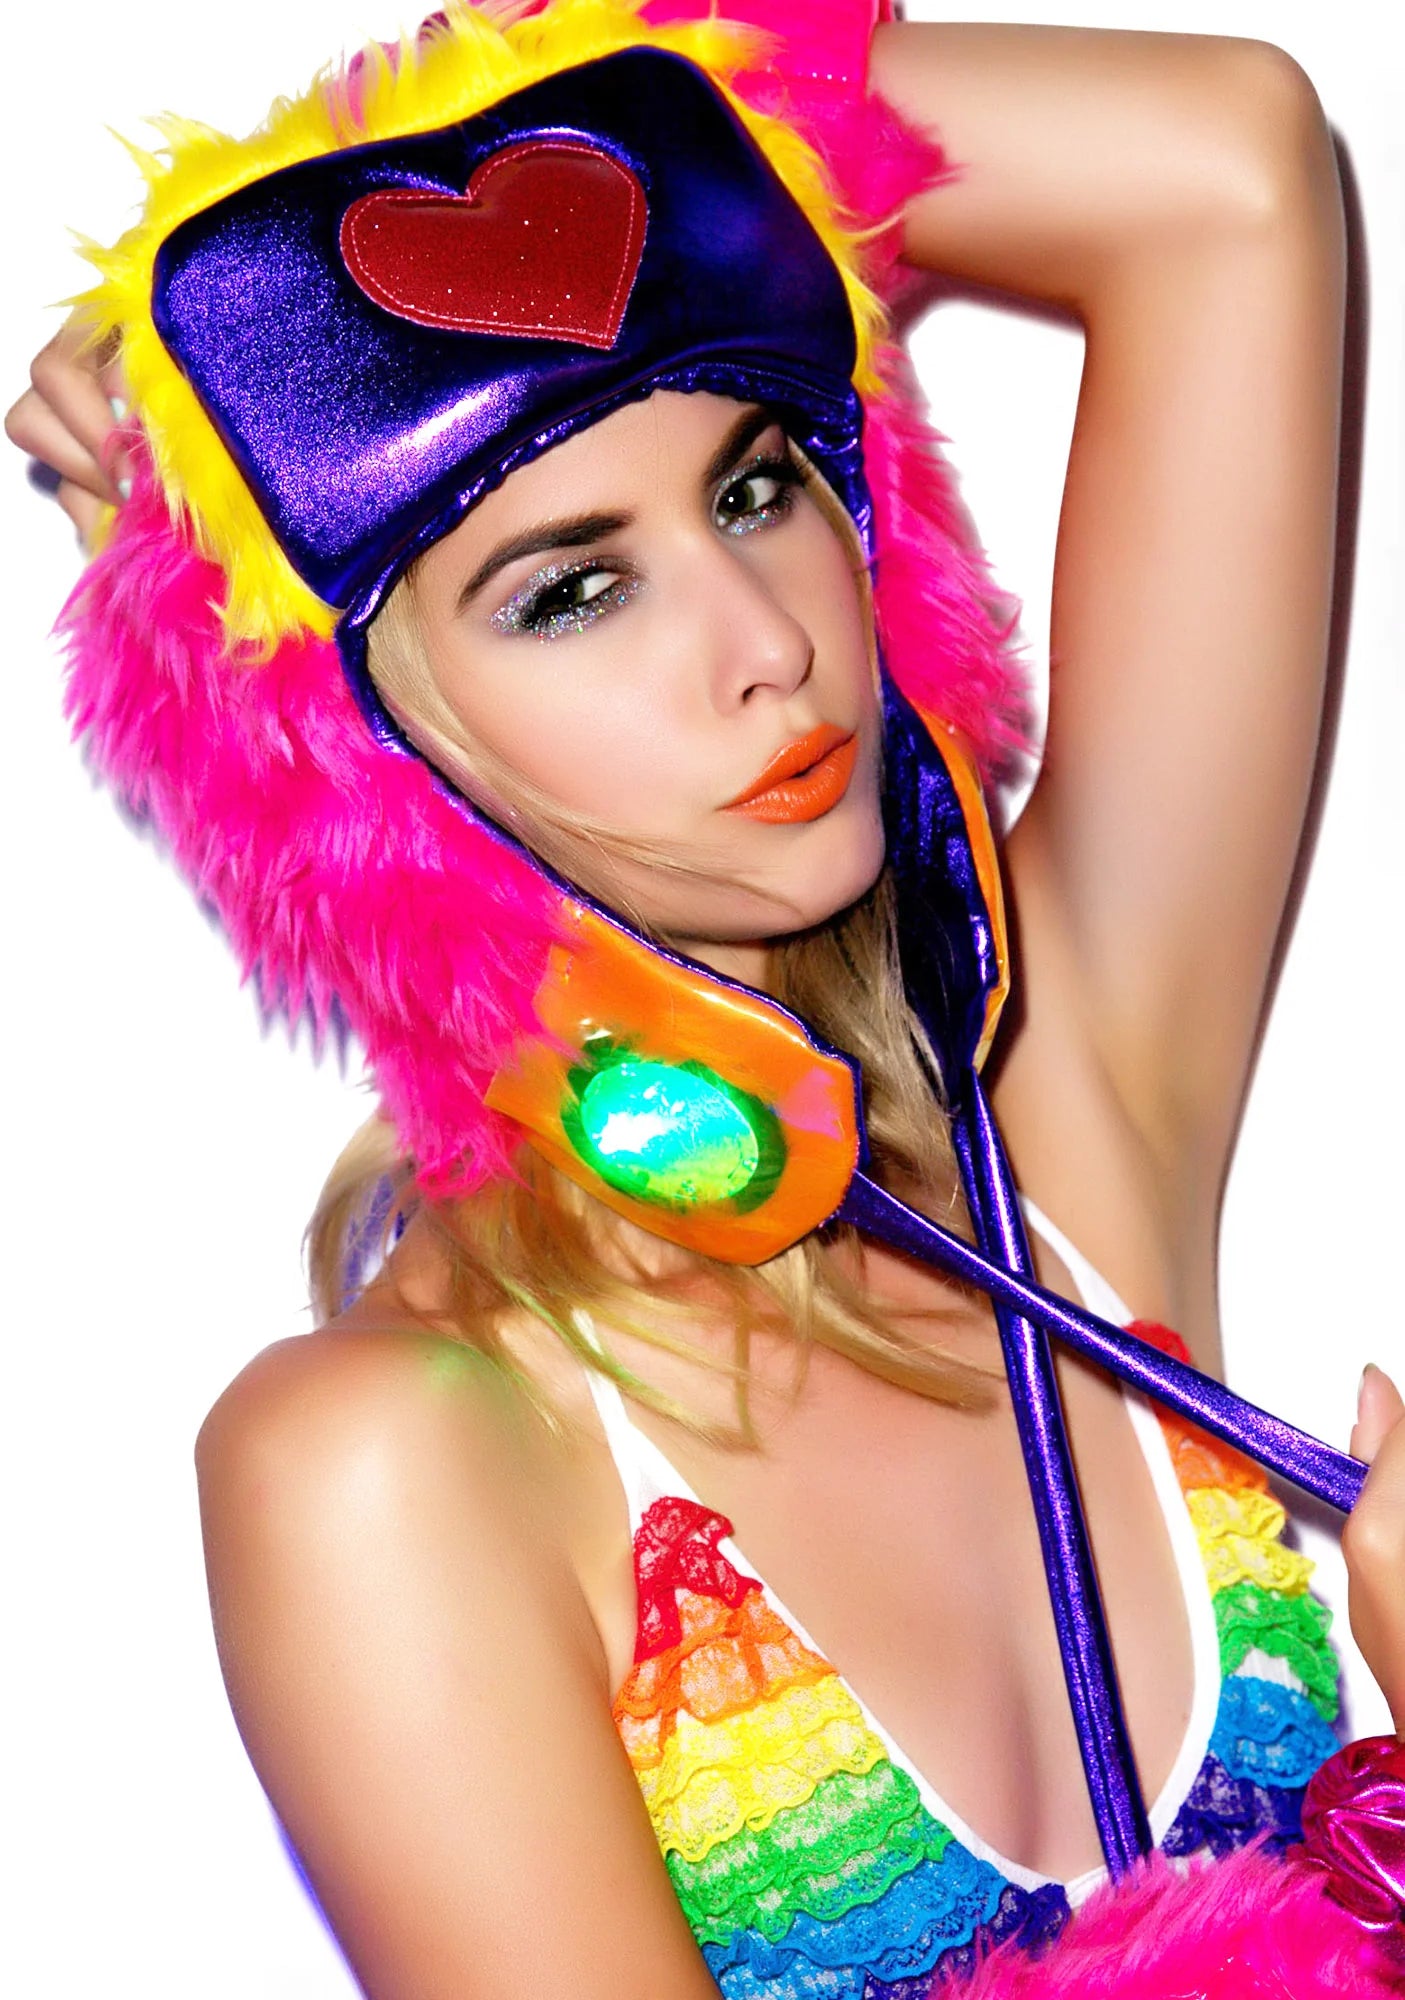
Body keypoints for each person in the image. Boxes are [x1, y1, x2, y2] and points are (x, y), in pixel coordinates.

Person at [7, 1, 1404, 1993]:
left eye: (752, 489)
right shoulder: (391, 1463)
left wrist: (535, 102)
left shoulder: (1050, 1107)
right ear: (342, 750)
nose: (764, 643)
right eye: (574, 590)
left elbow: (1225, 169)